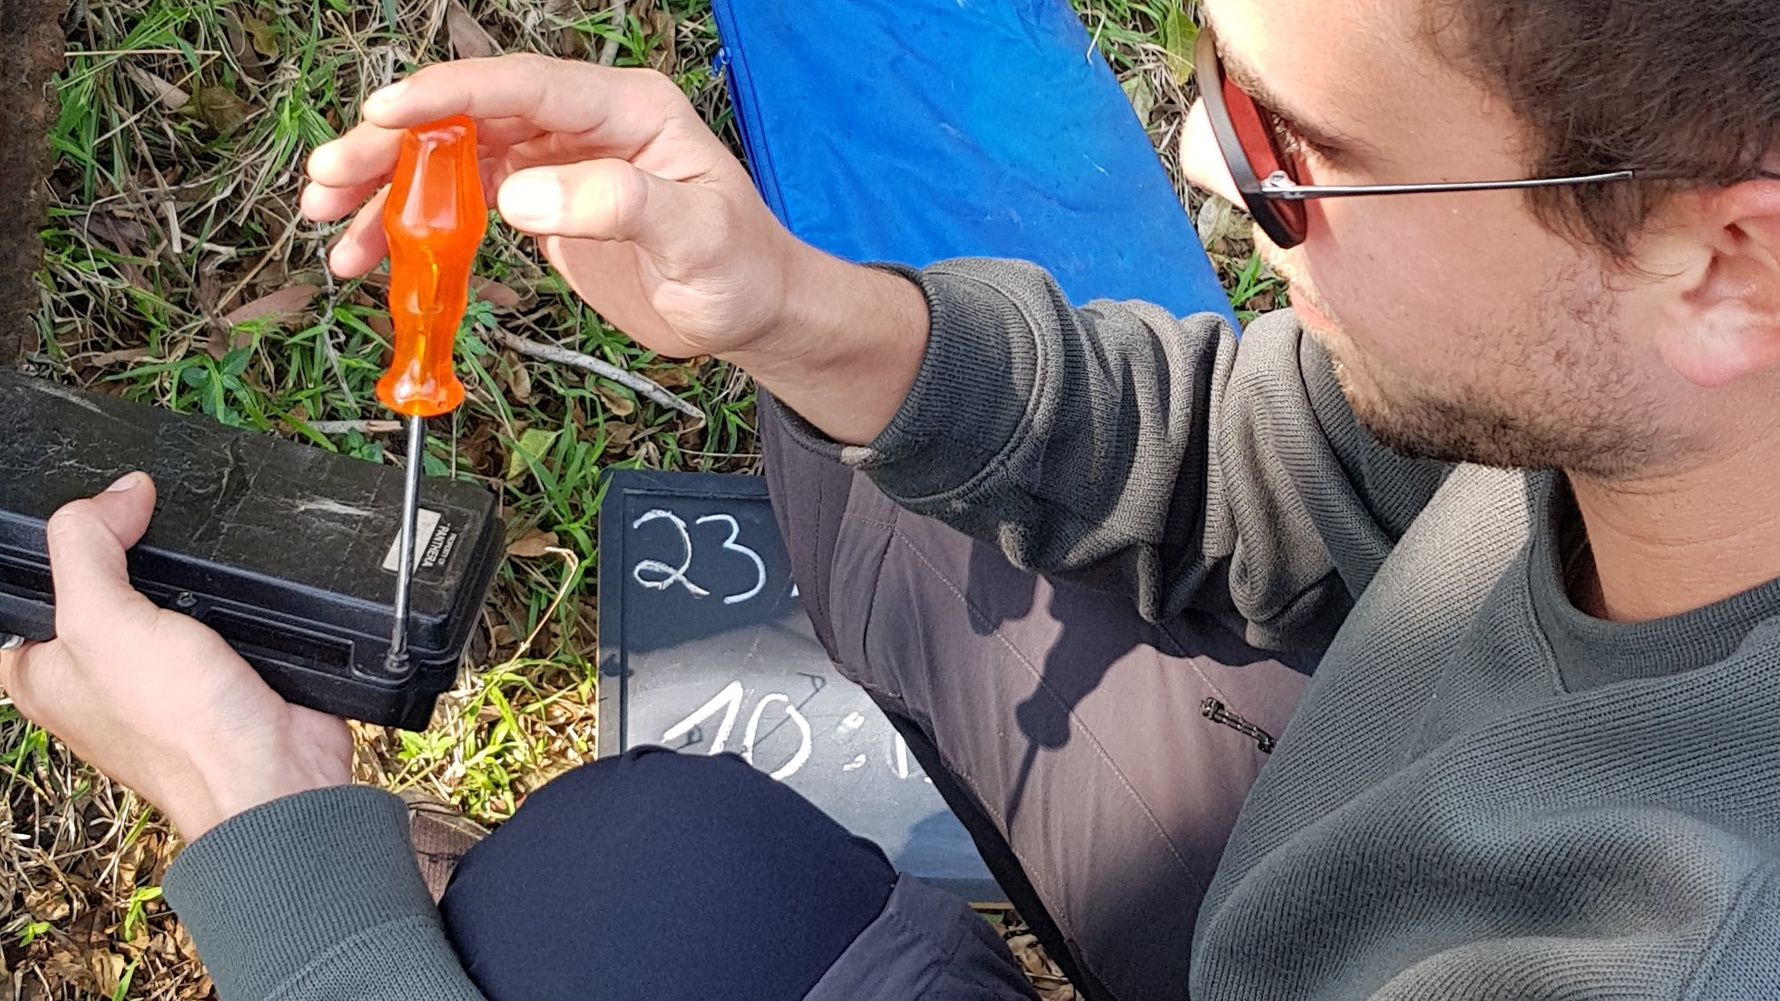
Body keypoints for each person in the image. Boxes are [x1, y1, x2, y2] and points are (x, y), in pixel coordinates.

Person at [6, 0, 1780, 997]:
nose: (1196, 159)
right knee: (862, 487)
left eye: (1294, 155)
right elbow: (1311, 449)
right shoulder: (1664, 396)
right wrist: (794, 307)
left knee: (612, 912)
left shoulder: (1680, 949)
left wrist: (277, 857)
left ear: (1725, 260)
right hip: (1324, 899)